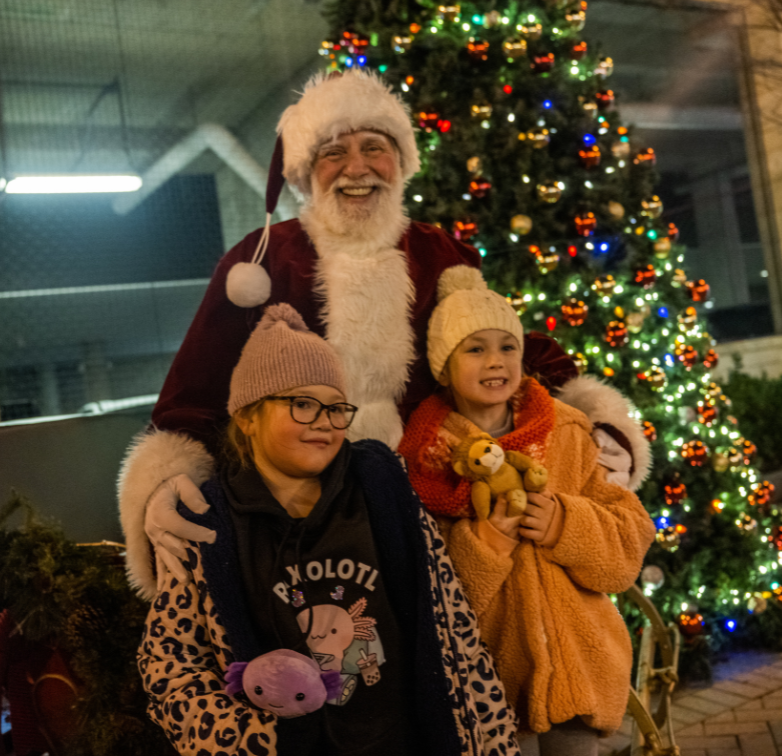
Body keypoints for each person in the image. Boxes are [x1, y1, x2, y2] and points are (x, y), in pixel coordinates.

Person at [119, 68, 650, 601]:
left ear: (400, 162)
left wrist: (596, 418)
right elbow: (198, 385)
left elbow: (501, 346)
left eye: (375, 146)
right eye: (332, 152)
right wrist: (167, 479)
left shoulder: (439, 254)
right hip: (301, 519)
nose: (357, 168)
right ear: (304, 174)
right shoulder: (260, 262)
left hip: (440, 507)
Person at [138, 303, 520, 756]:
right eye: (302, 404)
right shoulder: (207, 521)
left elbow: (454, 630)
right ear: (247, 416)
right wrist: (254, 738)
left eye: (337, 408)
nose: (324, 421)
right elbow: (170, 666)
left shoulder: (382, 489)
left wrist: (493, 744)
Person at [397, 267, 657, 756]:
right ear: (443, 365)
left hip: (579, 669)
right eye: (475, 349)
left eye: (507, 346)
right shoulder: (425, 458)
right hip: (489, 684)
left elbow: (626, 547)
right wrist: (486, 544)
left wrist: (565, 523)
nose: (495, 361)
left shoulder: (567, 431)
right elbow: (430, 592)